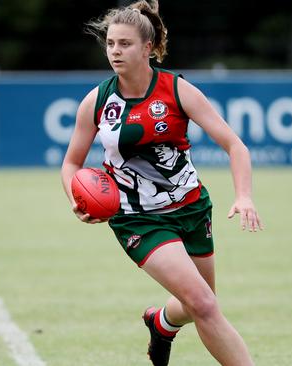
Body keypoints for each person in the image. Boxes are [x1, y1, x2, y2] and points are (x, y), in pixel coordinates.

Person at [60, 1, 263, 365]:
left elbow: (235, 145)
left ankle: (161, 323)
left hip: (191, 206)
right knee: (203, 304)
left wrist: (244, 196)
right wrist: (75, 197)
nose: (115, 51)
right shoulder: (98, 100)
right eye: (110, 44)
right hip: (137, 218)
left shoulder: (177, 90)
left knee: (200, 302)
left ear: (148, 48)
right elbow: (72, 163)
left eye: (125, 44)